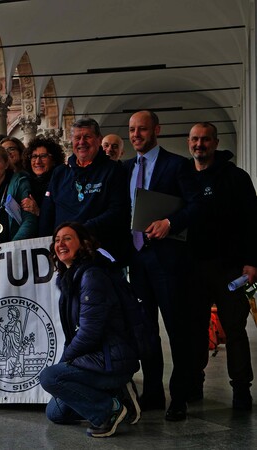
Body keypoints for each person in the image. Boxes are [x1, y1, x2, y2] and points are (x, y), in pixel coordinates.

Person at [124, 110, 201, 421]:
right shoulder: (125, 168)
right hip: (136, 261)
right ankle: (153, 392)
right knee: (145, 331)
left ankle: (179, 395)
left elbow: (197, 205)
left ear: (157, 129)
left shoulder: (176, 165)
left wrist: (170, 222)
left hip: (168, 261)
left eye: (142, 129)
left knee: (176, 329)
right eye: (132, 130)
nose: (136, 135)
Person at [40, 222, 140, 438]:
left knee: (50, 377)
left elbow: (89, 333)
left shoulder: (91, 276)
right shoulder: (69, 278)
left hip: (110, 362)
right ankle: (117, 395)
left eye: (67, 238)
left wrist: (64, 363)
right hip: (95, 360)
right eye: (57, 240)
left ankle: (110, 410)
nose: (60, 244)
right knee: (55, 413)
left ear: (83, 244)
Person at [185, 122, 257, 410]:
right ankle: (194, 381)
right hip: (193, 267)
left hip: (230, 267)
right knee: (194, 329)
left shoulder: (236, 178)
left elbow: (253, 222)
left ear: (215, 143)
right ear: (189, 143)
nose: (199, 144)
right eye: (194, 139)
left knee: (235, 329)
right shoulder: (184, 177)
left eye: (204, 139)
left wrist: (252, 262)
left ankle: (241, 389)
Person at [39, 118, 131, 264]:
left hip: (100, 255)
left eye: (87, 137)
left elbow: (118, 211)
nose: (82, 142)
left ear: (98, 139)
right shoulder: (60, 173)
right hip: (65, 258)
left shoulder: (114, 170)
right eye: (77, 138)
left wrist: (79, 232)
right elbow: (48, 213)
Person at [21, 137, 66, 217]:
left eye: (43, 156)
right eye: (34, 156)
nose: (38, 161)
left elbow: (62, 215)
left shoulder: (61, 183)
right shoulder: (26, 182)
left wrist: (38, 211)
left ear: (53, 160)